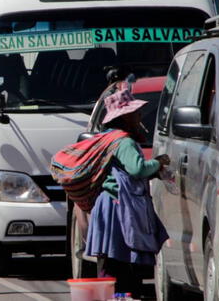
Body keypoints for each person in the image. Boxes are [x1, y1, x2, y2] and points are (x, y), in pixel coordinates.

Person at [83, 88, 170, 298]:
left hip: (107, 205)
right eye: (135, 113)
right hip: (119, 208)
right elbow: (137, 168)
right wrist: (157, 163)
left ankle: (113, 296)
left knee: (110, 264)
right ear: (126, 117)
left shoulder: (106, 138)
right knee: (124, 264)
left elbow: (123, 171)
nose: (140, 116)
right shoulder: (124, 141)